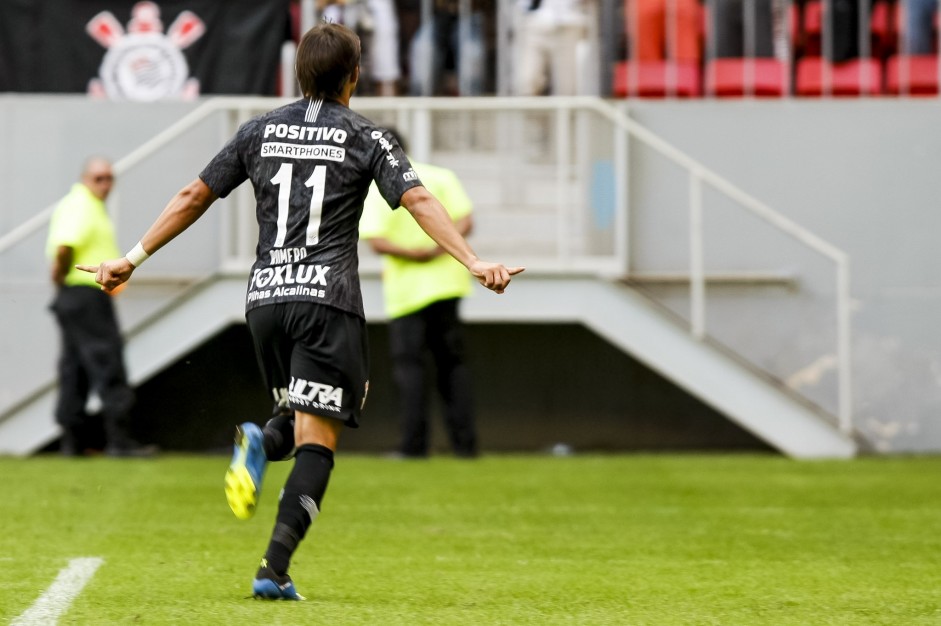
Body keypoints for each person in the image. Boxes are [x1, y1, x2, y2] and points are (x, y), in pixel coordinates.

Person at [78, 22, 523, 600]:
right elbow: (416, 198)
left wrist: (131, 258)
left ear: (298, 72)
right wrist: (471, 259)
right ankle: (273, 569)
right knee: (321, 437)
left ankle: (261, 444)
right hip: (327, 301)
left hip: (265, 301)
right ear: (355, 76)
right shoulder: (367, 136)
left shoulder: (258, 131)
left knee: (299, 413)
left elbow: (194, 195)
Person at [360, 128, 478, 459]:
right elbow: (466, 220)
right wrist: (439, 248)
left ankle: (413, 447)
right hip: (447, 285)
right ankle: (465, 446)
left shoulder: (377, 187)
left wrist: (415, 255)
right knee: (453, 367)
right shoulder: (440, 176)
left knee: (410, 371)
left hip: (407, 293)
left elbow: (376, 240)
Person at [46, 157, 156, 458]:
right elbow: (65, 247)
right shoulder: (80, 204)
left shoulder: (87, 205)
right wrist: (60, 277)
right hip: (85, 295)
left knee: (75, 367)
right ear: (84, 179)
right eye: (98, 178)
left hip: (75, 296)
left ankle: (72, 443)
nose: (105, 184)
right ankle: (119, 442)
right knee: (108, 361)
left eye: (109, 178)